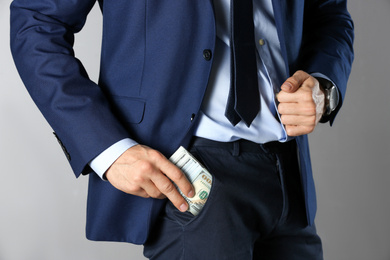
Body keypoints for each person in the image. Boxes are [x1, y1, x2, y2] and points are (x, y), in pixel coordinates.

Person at [10, 0, 354, 259]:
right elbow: (36, 21)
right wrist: (109, 150)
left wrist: (324, 86)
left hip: (288, 177)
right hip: (191, 177)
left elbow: (330, 16)